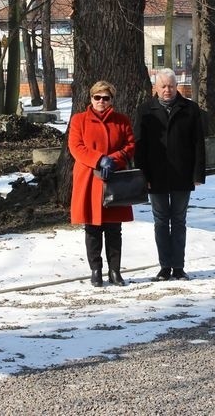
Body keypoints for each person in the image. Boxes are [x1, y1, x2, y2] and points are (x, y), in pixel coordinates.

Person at [135, 68, 206, 281]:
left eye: (171, 86)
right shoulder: (145, 110)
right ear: (155, 88)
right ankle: (165, 266)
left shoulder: (190, 109)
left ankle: (178, 266)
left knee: (179, 220)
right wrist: (142, 175)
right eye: (163, 86)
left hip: (181, 174)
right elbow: (140, 146)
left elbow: (198, 145)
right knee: (160, 221)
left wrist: (197, 174)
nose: (167, 90)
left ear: (177, 87)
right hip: (155, 176)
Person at [69, 80, 136, 287]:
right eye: (97, 97)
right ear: (90, 98)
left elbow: (130, 144)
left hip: (114, 180)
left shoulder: (121, 120)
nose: (100, 101)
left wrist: (114, 160)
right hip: (90, 180)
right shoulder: (79, 120)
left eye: (105, 98)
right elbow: (76, 147)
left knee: (114, 229)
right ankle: (95, 270)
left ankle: (115, 271)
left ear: (111, 100)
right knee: (92, 228)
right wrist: (99, 159)